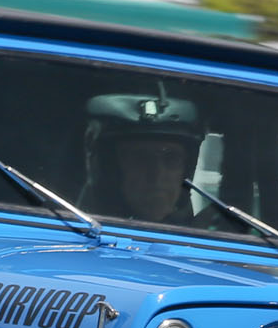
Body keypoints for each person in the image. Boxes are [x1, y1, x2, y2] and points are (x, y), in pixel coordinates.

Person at [78, 93, 204, 227]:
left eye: (172, 159)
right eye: (141, 159)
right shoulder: (69, 225)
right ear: (111, 171)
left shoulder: (212, 238)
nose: (157, 175)